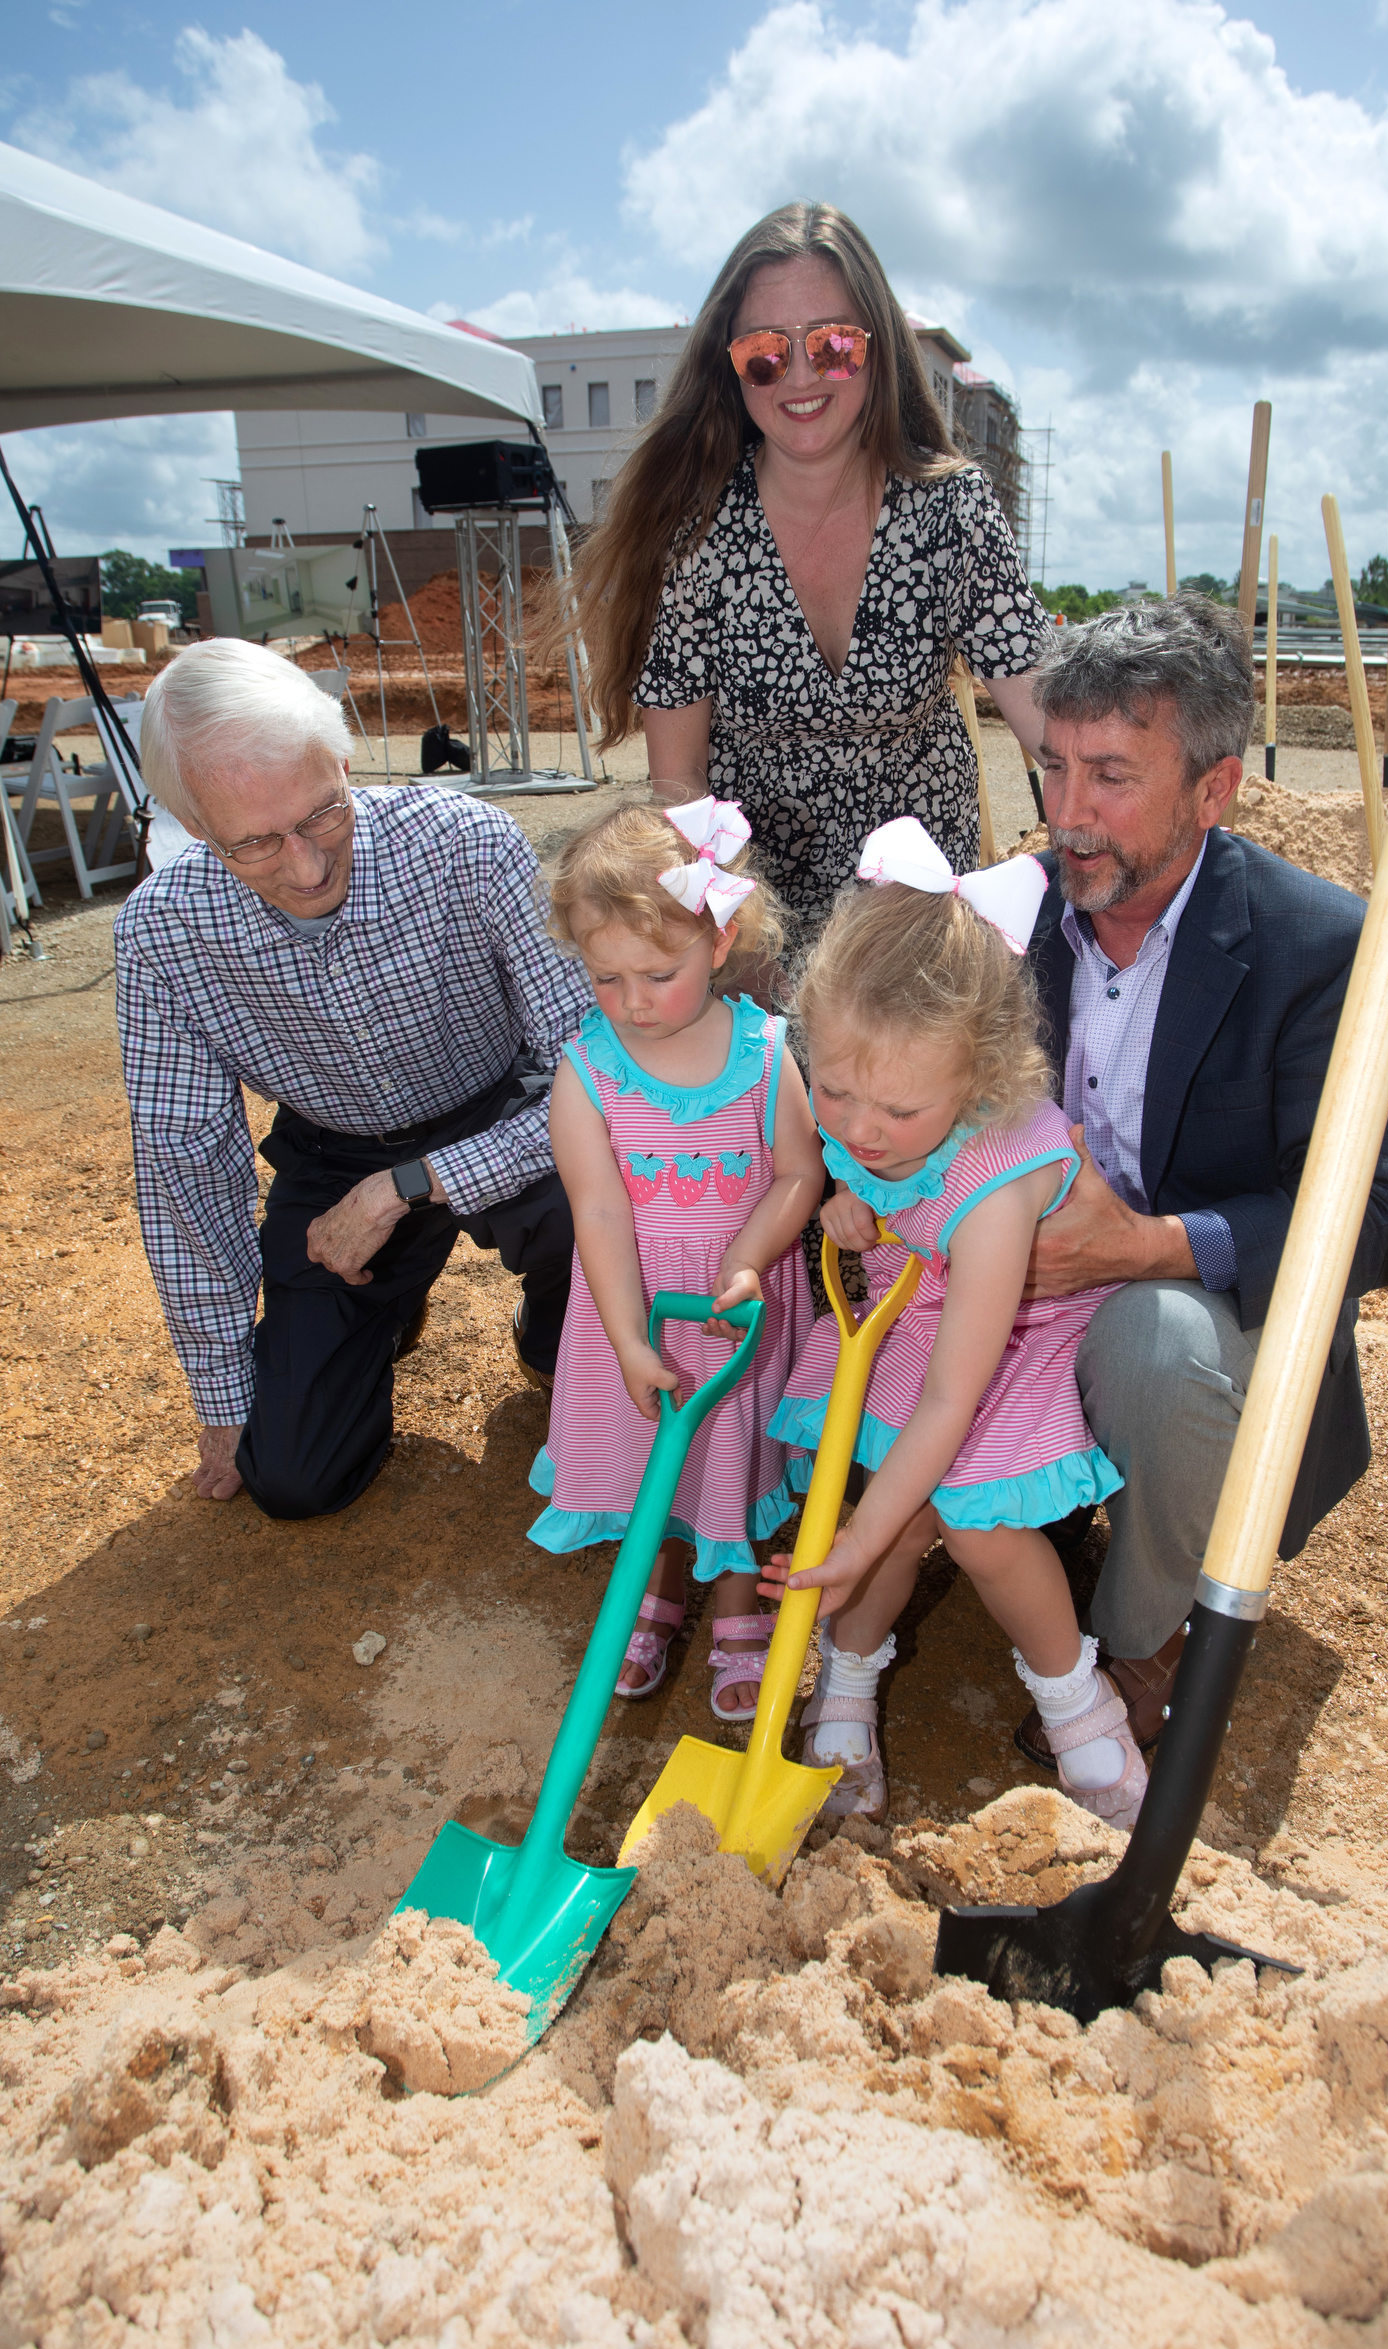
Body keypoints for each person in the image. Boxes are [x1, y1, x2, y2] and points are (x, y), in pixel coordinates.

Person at [1013, 591, 1388, 1759]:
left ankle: (1144, 1637)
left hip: (1187, 1306)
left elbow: (1387, 1213)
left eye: (1110, 776)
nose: (1068, 815)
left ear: (1214, 790)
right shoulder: (1008, 920)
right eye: (1053, 770)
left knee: (1156, 1346)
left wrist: (1147, 1247)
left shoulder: (1319, 948)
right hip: (1011, 1286)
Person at [117, 639, 589, 1519]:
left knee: (598, 1197)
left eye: (321, 815)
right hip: (333, 1154)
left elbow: (593, 1067)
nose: (304, 868)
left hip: (506, 1115)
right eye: (253, 844)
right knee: (293, 1477)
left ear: (342, 758)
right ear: (190, 826)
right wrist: (226, 1401)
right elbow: (187, 1167)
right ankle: (379, 1315)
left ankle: (562, 1321)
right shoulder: (160, 934)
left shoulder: (469, 842)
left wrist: (412, 1184)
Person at [764, 819, 1142, 1827]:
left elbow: (949, 1400)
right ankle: (846, 1684)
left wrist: (849, 1540)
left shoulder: (995, 1182)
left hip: (1020, 1321)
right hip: (919, 1290)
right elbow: (856, 1156)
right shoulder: (859, 1099)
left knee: (970, 1515)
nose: (857, 1129)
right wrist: (858, 1205)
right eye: (835, 1090)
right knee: (890, 1516)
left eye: (896, 1114)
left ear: (978, 1081)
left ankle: (1076, 1704)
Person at [548, 200, 1051, 937]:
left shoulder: (951, 512)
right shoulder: (697, 536)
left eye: (833, 344)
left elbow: (1051, 727)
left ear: (875, 348)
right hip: (764, 937)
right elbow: (681, 797)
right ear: (733, 364)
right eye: (766, 353)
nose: (800, 375)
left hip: (914, 936)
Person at [529, 797, 824, 1721]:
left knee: (731, 1460)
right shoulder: (588, 1068)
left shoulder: (767, 1055)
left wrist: (745, 1260)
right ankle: (655, 1597)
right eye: (604, 977)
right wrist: (625, 1337)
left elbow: (797, 1173)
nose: (632, 1002)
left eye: (659, 973)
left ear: (722, 939)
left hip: (734, 1314)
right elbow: (599, 1207)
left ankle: (737, 1611)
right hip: (640, 1304)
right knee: (647, 1458)